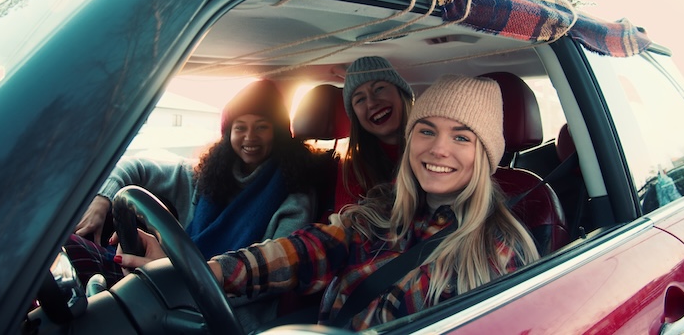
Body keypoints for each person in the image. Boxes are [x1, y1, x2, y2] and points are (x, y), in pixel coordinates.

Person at [115, 74, 540, 330]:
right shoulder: (379, 212)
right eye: (426, 131)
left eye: (461, 137)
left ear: (485, 155)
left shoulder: (498, 251)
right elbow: (303, 251)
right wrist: (196, 272)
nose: (438, 149)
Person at [66, 79, 318, 330]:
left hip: (223, 312)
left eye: (261, 127)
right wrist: (103, 199)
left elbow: (275, 272)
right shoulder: (204, 177)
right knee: (68, 248)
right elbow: (135, 166)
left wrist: (183, 275)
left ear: (277, 132)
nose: (249, 137)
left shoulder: (294, 196)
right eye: (240, 127)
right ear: (228, 132)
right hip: (169, 283)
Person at [333, 55, 414, 212]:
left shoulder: (433, 147)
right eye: (360, 99)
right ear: (356, 117)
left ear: (401, 93)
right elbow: (348, 225)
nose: (371, 102)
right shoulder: (354, 168)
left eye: (379, 89)